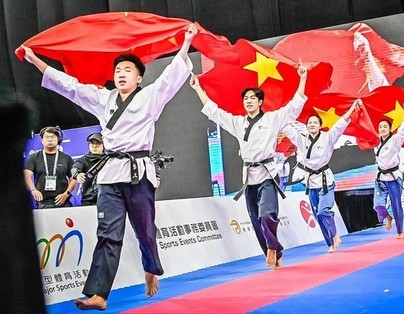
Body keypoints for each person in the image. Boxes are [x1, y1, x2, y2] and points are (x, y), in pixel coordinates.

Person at [19, 23, 197, 311]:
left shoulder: (151, 97)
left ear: (139, 78)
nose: (121, 74)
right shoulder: (104, 99)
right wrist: (37, 61)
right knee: (108, 234)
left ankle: (150, 268)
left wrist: (187, 41)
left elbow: (171, 77)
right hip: (110, 176)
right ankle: (99, 294)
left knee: (145, 231)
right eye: (118, 71)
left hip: (138, 173)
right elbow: (70, 87)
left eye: (128, 70)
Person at [190, 63, 308, 270]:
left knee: (267, 214)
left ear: (260, 102)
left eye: (253, 98)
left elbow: (294, 107)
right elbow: (214, 112)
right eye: (245, 99)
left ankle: (273, 247)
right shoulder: (238, 122)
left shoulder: (272, 119)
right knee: (255, 220)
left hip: (268, 175)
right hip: (249, 177)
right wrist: (198, 88)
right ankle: (274, 252)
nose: (248, 101)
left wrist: (303, 78)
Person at [281, 99, 360, 253]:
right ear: (306, 126)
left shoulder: (328, 137)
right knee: (318, 216)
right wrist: (277, 113)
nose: (311, 125)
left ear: (320, 125)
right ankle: (330, 242)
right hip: (310, 183)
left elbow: (341, 123)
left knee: (323, 211)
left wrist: (351, 108)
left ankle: (335, 234)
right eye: (309, 123)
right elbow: (285, 127)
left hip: (326, 180)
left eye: (315, 122)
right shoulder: (301, 139)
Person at [373, 99, 404, 239]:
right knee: (378, 205)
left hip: (394, 178)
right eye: (380, 127)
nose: (382, 129)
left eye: (385, 127)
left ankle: (400, 231)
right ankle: (388, 218)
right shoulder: (376, 142)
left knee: (396, 205)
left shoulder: (395, 140)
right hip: (380, 178)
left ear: (390, 128)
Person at [24, 126, 76, 209]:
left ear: (58, 139)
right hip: (43, 202)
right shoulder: (34, 157)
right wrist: (33, 190)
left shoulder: (67, 158)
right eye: (47, 137)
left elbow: (73, 178)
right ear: (42, 140)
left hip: (63, 201)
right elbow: (27, 175)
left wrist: (67, 193)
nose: (50, 139)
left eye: (53, 137)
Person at [71, 132, 104, 206]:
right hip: (89, 200)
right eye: (92, 143)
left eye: (98, 143)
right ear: (89, 145)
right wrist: (77, 175)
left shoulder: (109, 159)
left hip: (107, 199)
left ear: (103, 145)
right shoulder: (83, 159)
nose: (95, 146)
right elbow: (74, 168)